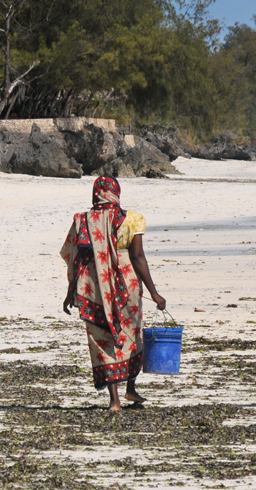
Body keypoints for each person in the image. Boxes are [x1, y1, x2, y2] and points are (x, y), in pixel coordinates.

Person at [61, 176, 166, 411]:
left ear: (95, 193)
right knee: (129, 335)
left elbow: (73, 257)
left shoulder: (82, 220)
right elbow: (138, 257)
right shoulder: (131, 219)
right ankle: (131, 388)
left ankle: (115, 401)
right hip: (126, 286)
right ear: (116, 193)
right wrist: (155, 293)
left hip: (93, 288)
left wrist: (71, 292)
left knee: (103, 340)